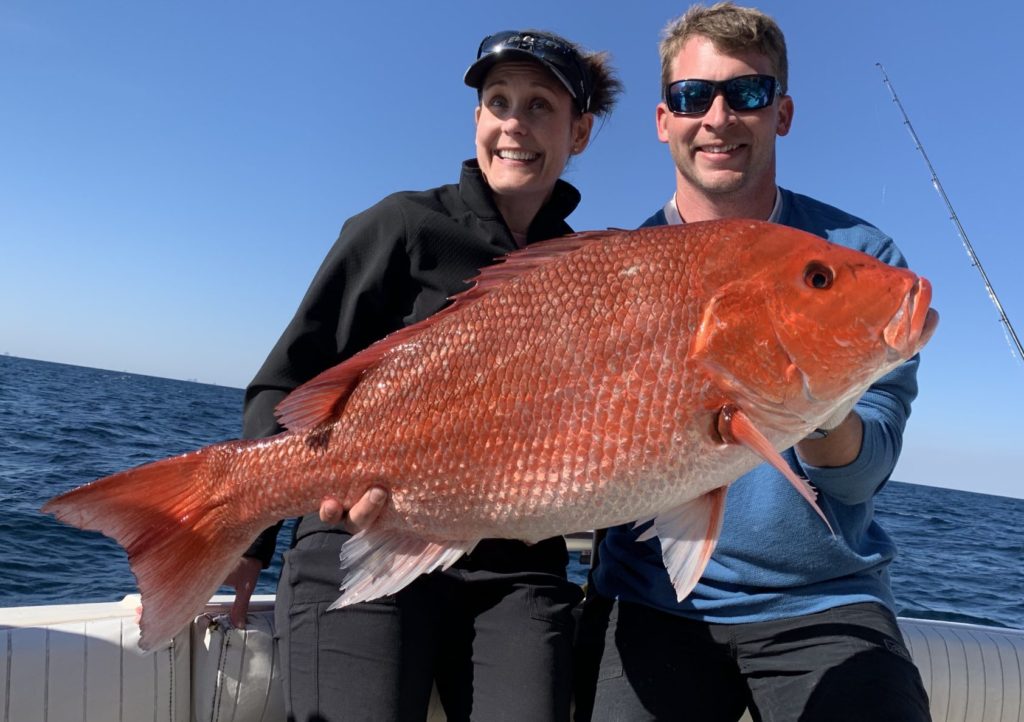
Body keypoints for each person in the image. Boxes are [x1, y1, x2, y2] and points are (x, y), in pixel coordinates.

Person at [222, 29, 622, 722]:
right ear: (476, 121)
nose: (513, 125)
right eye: (498, 102)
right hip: (358, 539)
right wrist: (245, 538)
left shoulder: (595, 272)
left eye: (539, 107)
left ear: (579, 132)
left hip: (514, 568)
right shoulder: (401, 226)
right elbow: (284, 384)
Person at [575, 4, 932, 721]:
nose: (717, 117)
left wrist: (819, 405)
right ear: (661, 119)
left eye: (747, 94)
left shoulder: (859, 260)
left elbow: (862, 475)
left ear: (782, 112)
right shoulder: (606, 271)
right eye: (691, 96)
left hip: (825, 602)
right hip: (648, 596)